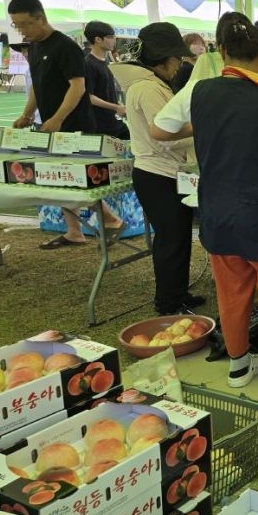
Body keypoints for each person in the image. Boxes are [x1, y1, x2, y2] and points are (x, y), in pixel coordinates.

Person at [151, 12, 258, 388]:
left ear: (223, 53)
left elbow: (158, 129)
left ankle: (239, 365)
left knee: (231, 294)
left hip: (217, 211)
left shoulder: (198, 91)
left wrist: (204, 126)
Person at [8, 0, 124, 250]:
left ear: (40, 18)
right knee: (61, 178)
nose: (21, 30)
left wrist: (58, 119)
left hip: (75, 125)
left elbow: (78, 86)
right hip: (52, 125)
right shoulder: (34, 47)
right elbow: (38, 87)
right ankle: (74, 232)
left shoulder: (65, 46)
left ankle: (111, 220)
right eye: (16, 25)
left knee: (76, 178)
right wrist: (27, 115)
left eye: (25, 24)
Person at [113, 23, 203, 315]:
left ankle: (177, 294)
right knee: (171, 240)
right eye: (176, 59)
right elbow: (164, 136)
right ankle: (168, 302)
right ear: (163, 59)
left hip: (162, 172)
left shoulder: (148, 85)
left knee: (177, 237)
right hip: (158, 174)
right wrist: (201, 128)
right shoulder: (149, 88)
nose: (178, 66)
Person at [83, 21, 129, 139]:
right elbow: (89, 97)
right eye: (110, 37)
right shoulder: (89, 64)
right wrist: (115, 107)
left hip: (114, 121)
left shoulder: (105, 61)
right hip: (101, 125)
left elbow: (105, 91)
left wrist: (118, 105)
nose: (114, 40)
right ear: (98, 39)